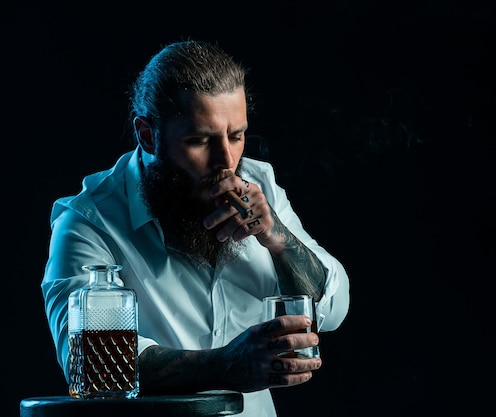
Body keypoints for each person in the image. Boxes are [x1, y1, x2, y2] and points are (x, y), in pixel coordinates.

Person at [41, 39, 350, 417]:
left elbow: (332, 311)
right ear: (148, 134)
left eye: (236, 136)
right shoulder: (90, 222)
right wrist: (225, 365)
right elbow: (93, 364)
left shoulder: (260, 186)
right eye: (199, 140)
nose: (227, 161)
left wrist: (277, 237)